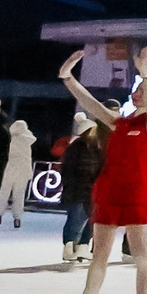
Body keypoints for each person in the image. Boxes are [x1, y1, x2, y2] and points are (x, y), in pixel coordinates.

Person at [51, 46, 147, 294]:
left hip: (137, 192)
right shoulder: (122, 123)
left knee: (140, 253)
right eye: (138, 89)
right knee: (99, 255)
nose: (137, 93)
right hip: (109, 190)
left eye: (143, 90)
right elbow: (91, 104)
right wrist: (68, 78)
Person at [58, 113, 104, 265]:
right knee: (78, 219)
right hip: (81, 190)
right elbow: (82, 170)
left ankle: (80, 247)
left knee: (86, 218)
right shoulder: (83, 148)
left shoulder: (90, 147)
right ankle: (71, 246)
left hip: (84, 190)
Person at [0, 117, 38, 230]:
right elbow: (28, 159)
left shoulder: (10, 140)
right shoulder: (27, 141)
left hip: (8, 169)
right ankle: (17, 218)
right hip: (22, 170)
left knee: (3, 193)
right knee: (19, 195)